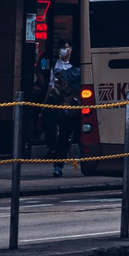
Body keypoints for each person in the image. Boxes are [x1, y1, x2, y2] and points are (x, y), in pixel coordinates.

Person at [43, 45, 83, 176]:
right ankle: (89, 163)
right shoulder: (87, 74)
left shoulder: (63, 75)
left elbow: (55, 93)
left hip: (65, 111)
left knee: (63, 139)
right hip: (83, 111)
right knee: (84, 138)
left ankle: (58, 167)